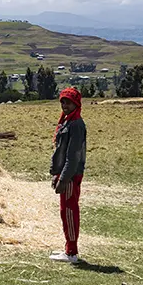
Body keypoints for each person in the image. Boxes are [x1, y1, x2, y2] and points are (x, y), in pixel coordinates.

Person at [50, 87, 87, 263]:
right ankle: (68, 248)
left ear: (76, 103)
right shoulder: (67, 122)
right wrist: (56, 174)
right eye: (62, 101)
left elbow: (73, 156)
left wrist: (64, 178)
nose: (64, 105)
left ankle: (71, 252)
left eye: (68, 102)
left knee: (70, 212)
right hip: (65, 174)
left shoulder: (76, 124)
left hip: (71, 176)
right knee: (65, 212)